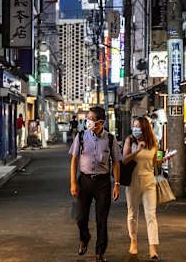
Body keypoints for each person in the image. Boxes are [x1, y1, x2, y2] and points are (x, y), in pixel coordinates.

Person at [69, 106, 121, 262]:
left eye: (91, 119)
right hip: (84, 181)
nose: (88, 121)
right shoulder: (81, 136)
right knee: (80, 218)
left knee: (101, 220)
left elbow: (116, 163)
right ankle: (84, 238)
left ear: (100, 122)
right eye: (88, 118)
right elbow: (74, 160)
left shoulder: (111, 139)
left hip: (102, 183)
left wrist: (117, 183)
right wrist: (73, 182)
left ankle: (100, 252)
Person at [122, 116, 159, 259]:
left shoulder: (153, 142)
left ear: (145, 128)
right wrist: (137, 151)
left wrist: (164, 159)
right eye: (134, 125)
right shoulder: (129, 140)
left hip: (149, 181)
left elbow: (154, 162)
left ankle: (152, 247)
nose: (135, 128)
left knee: (151, 215)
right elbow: (124, 159)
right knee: (132, 214)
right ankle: (133, 241)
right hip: (133, 181)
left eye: (138, 125)